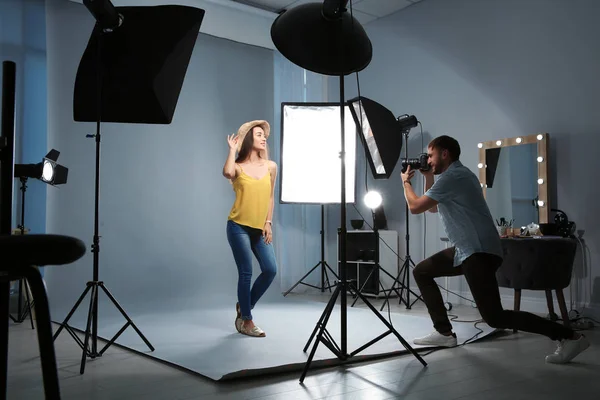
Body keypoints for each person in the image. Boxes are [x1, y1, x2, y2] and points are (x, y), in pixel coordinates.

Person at [401, 135, 589, 364]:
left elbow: (415, 207)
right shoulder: (453, 177)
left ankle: (570, 337)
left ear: (444, 153)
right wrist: (428, 176)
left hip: (477, 251)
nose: (427, 160)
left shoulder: (454, 176)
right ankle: (444, 333)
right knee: (422, 271)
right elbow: (430, 209)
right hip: (466, 249)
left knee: (495, 317)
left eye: (430, 155)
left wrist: (406, 182)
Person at [222, 120, 278, 338]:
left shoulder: (271, 166)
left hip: (259, 228)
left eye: (264, 135)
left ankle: (243, 307)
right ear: (248, 139)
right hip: (238, 227)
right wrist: (231, 150)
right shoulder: (238, 167)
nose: (264, 138)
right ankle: (247, 320)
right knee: (246, 272)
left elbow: (270, 197)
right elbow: (227, 172)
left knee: (270, 269)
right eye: (258, 134)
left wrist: (268, 223)